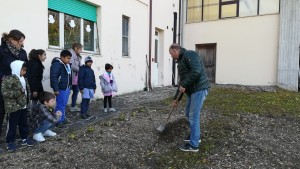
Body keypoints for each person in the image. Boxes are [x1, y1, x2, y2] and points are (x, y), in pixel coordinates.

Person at [169, 43, 209, 152]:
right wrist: (176, 99)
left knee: (193, 116)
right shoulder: (181, 62)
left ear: (175, 51)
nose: (171, 56)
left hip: (199, 89)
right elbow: (182, 83)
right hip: (193, 92)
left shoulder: (190, 54)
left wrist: (185, 84)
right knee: (188, 113)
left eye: (171, 54)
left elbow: (196, 71)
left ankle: (194, 145)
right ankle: (194, 136)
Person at [0, 29, 28, 153]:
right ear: (12, 40)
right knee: (1, 113)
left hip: (18, 88)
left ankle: (13, 136)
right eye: (20, 41)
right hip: (4, 86)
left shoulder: (22, 52)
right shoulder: (2, 51)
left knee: (17, 113)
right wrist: (3, 78)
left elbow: (25, 68)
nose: (22, 44)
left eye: (22, 41)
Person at [1, 60, 33, 152]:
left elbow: (27, 90)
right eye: (23, 70)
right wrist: (18, 92)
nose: (25, 72)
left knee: (24, 123)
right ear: (17, 68)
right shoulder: (9, 79)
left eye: (25, 70)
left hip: (23, 105)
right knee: (12, 124)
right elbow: (5, 92)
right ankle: (9, 141)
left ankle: (24, 138)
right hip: (13, 107)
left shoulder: (24, 79)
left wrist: (28, 99)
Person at [50, 50, 72, 127]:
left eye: (70, 58)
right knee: (60, 105)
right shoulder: (57, 64)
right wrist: (56, 89)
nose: (69, 60)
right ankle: (58, 121)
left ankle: (62, 118)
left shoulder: (66, 64)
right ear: (62, 57)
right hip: (61, 88)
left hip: (66, 88)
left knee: (63, 104)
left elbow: (68, 76)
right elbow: (54, 77)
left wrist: (70, 87)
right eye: (68, 58)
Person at [69, 43, 82, 112]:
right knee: (67, 92)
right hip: (71, 76)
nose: (81, 51)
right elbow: (70, 65)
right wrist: (80, 69)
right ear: (76, 48)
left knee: (76, 91)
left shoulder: (78, 55)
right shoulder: (70, 54)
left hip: (76, 77)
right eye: (80, 49)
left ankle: (73, 106)